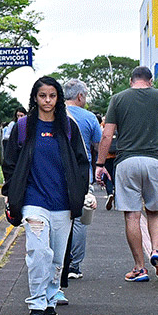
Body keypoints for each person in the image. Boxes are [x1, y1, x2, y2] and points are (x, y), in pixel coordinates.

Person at [2, 77, 90, 315]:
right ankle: (37, 301)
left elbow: (82, 163)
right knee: (38, 251)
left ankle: (51, 299)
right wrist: (11, 192)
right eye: (43, 96)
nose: (48, 101)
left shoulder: (68, 127)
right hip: (33, 201)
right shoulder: (24, 127)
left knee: (56, 257)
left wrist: (81, 193)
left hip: (63, 203)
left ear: (58, 98)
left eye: (52, 96)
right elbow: (9, 164)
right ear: (35, 98)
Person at [94, 66, 158, 282]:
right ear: (150, 81)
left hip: (126, 162)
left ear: (131, 81)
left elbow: (107, 135)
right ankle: (156, 250)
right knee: (155, 211)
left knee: (132, 215)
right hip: (156, 161)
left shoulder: (118, 99)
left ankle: (139, 268)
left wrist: (100, 163)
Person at [62, 78, 102, 282]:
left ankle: (58, 262)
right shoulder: (89, 117)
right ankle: (74, 265)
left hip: (57, 171)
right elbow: (98, 143)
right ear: (80, 96)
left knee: (57, 217)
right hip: (81, 172)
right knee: (79, 219)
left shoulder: (54, 115)